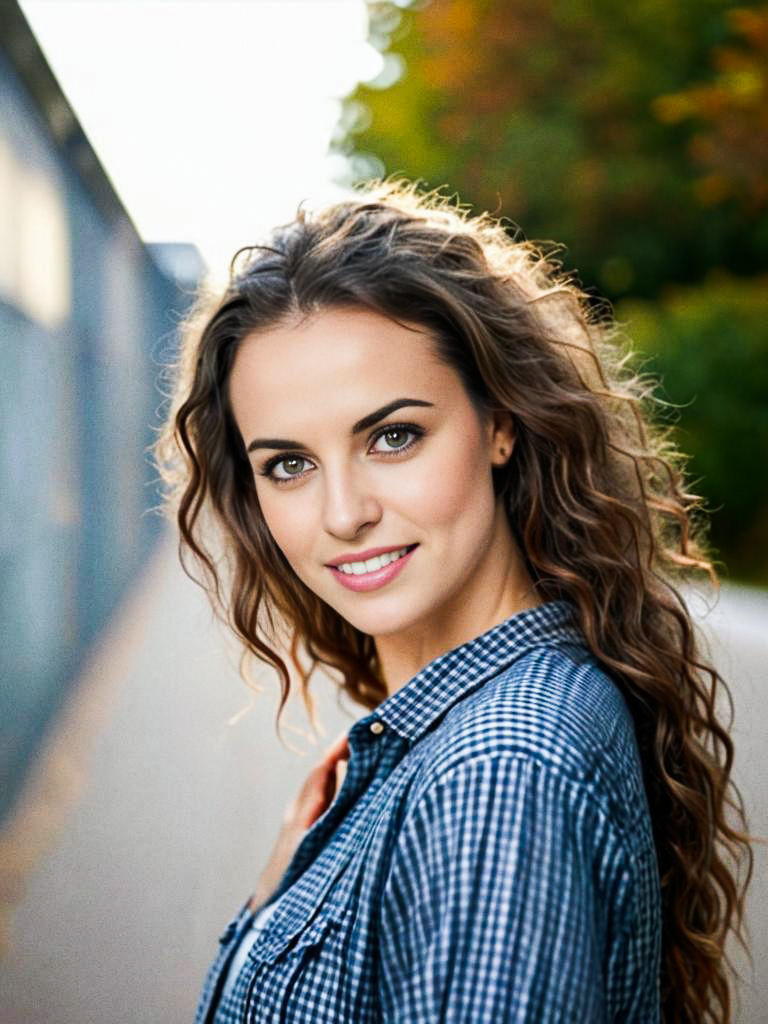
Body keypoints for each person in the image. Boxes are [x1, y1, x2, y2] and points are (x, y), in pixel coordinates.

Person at [155, 180, 752, 1023]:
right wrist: (282, 898)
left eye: (393, 436)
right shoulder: (468, 731)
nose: (343, 513)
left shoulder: (497, 779)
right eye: (288, 463)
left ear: (500, 420)